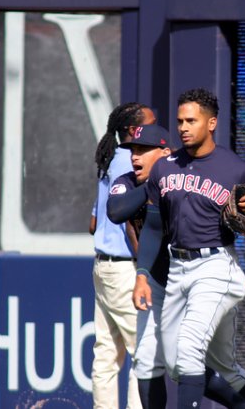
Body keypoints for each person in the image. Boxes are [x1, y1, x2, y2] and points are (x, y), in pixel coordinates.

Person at [108, 123, 245, 409]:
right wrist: (158, 181)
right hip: (161, 283)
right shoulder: (132, 181)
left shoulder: (187, 175)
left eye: (143, 150)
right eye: (132, 150)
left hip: (204, 275)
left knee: (211, 362)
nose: (135, 157)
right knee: (156, 361)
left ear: (165, 152)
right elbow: (116, 211)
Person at [148, 88, 245, 409]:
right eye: (180, 120)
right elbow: (156, 227)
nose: (183, 127)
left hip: (216, 268)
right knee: (182, 365)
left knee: (189, 351)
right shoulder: (165, 167)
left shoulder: (235, 169)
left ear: (211, 123)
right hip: (178, 268)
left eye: (191, 121)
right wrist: (144, 272)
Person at [91, 101, 154, 409]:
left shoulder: (108, 159)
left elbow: (92, 223)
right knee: (143, 352)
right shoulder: (131, 162)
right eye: (149, 125)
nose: (154, 132)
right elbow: (130, 222)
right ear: (133, 131)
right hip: (125, 270)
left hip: (102, 266)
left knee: (106, 354)